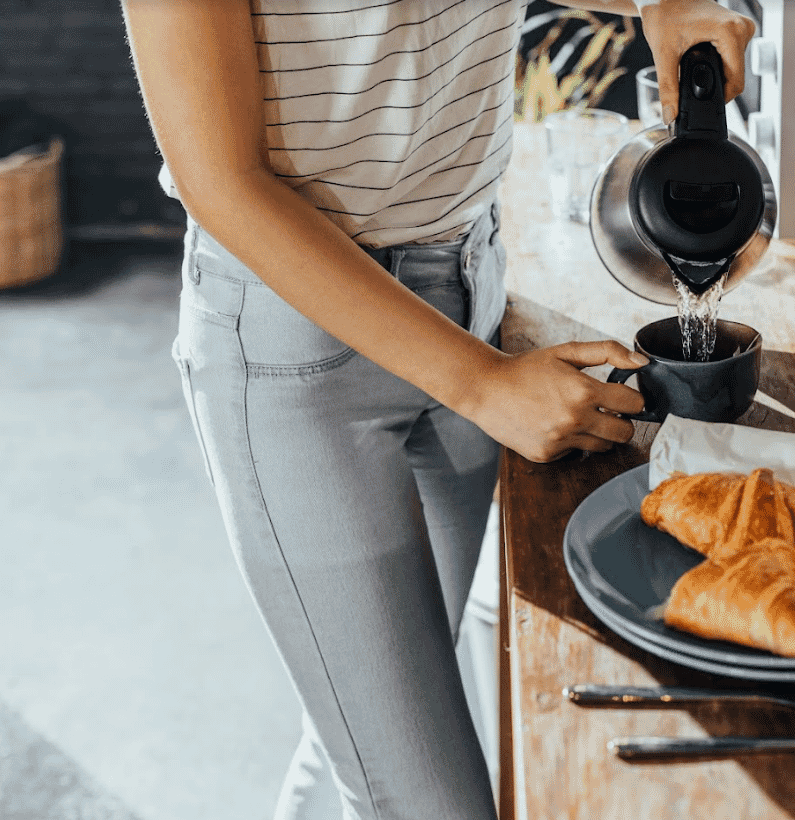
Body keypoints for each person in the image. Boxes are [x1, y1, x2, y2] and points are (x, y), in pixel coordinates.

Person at [120, 1, 755, 817]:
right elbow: (222, 181)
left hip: (466, 282)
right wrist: (481, 384)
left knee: (364, 722)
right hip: (299, 346)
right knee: (427, 798)